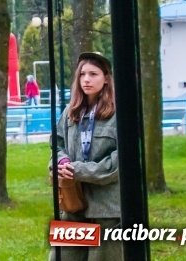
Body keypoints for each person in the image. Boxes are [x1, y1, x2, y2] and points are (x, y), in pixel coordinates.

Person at [49, 52, 121, 261]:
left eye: (93, 74)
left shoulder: (119, 113)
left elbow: (118, 164)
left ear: (106, 78)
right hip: (74, 202)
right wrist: (60, 163)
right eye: (82, 74)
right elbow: (57, 144)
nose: (87, 80)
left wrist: (78, 170)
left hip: (106, 209)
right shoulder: (71, 111)